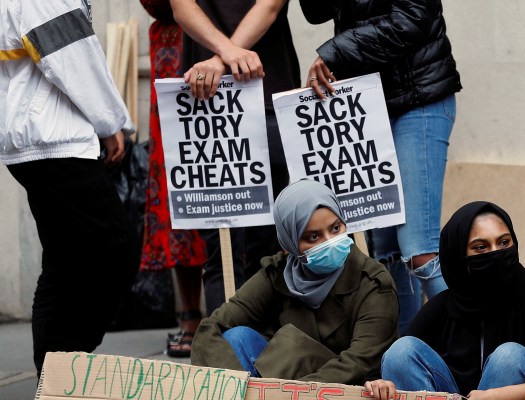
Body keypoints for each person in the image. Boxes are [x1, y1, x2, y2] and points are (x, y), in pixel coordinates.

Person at [302, 0, 462, 332]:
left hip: (419, 100)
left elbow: (413, 19)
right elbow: (315, 11)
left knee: (420, 249)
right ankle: (404, 357)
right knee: (386, 254)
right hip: (373, 105)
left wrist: (335, 52)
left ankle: (475, 348)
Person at [0, 0, 137, 374]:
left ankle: (55, 376)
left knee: (64, 262)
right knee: (114, 250)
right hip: (53, 137)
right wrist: (111, 122)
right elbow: (71, 56)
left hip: (33, 139)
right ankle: (66, 369)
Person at [191, 180, 399, 383]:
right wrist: (236, 388)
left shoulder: (374, 283)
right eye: (313, 237)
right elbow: (213, 326)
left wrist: (285, 396)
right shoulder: (279, 272)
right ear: (289, 242)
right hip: (279, 378)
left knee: (289, 347)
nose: (330, 242)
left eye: (335, 228)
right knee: (237, 337)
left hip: (342, 391)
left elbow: (358, 363)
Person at [364, 202, 525, 400]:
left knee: (510, 356)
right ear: (459, 256)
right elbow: (388, 364)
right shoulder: (442, 307)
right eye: (481, 247)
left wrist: (491, 398)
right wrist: (380, 383)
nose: (496, 252)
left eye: (504, 242)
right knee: (401, 351)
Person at [171, 0, 300, 313]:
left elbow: (270, 6)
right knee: (221, 248)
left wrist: (219, 58)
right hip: (206, 96)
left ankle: (265, 352)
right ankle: (226, 355)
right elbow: (181, 7)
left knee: (269, 244)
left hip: (257, 89)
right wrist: (228, 54)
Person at [140, 0, 207, 357]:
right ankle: (191, 316)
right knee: (178, 182)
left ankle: (242, 311)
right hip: (175, 51)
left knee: (236, 181)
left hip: (231, 42)